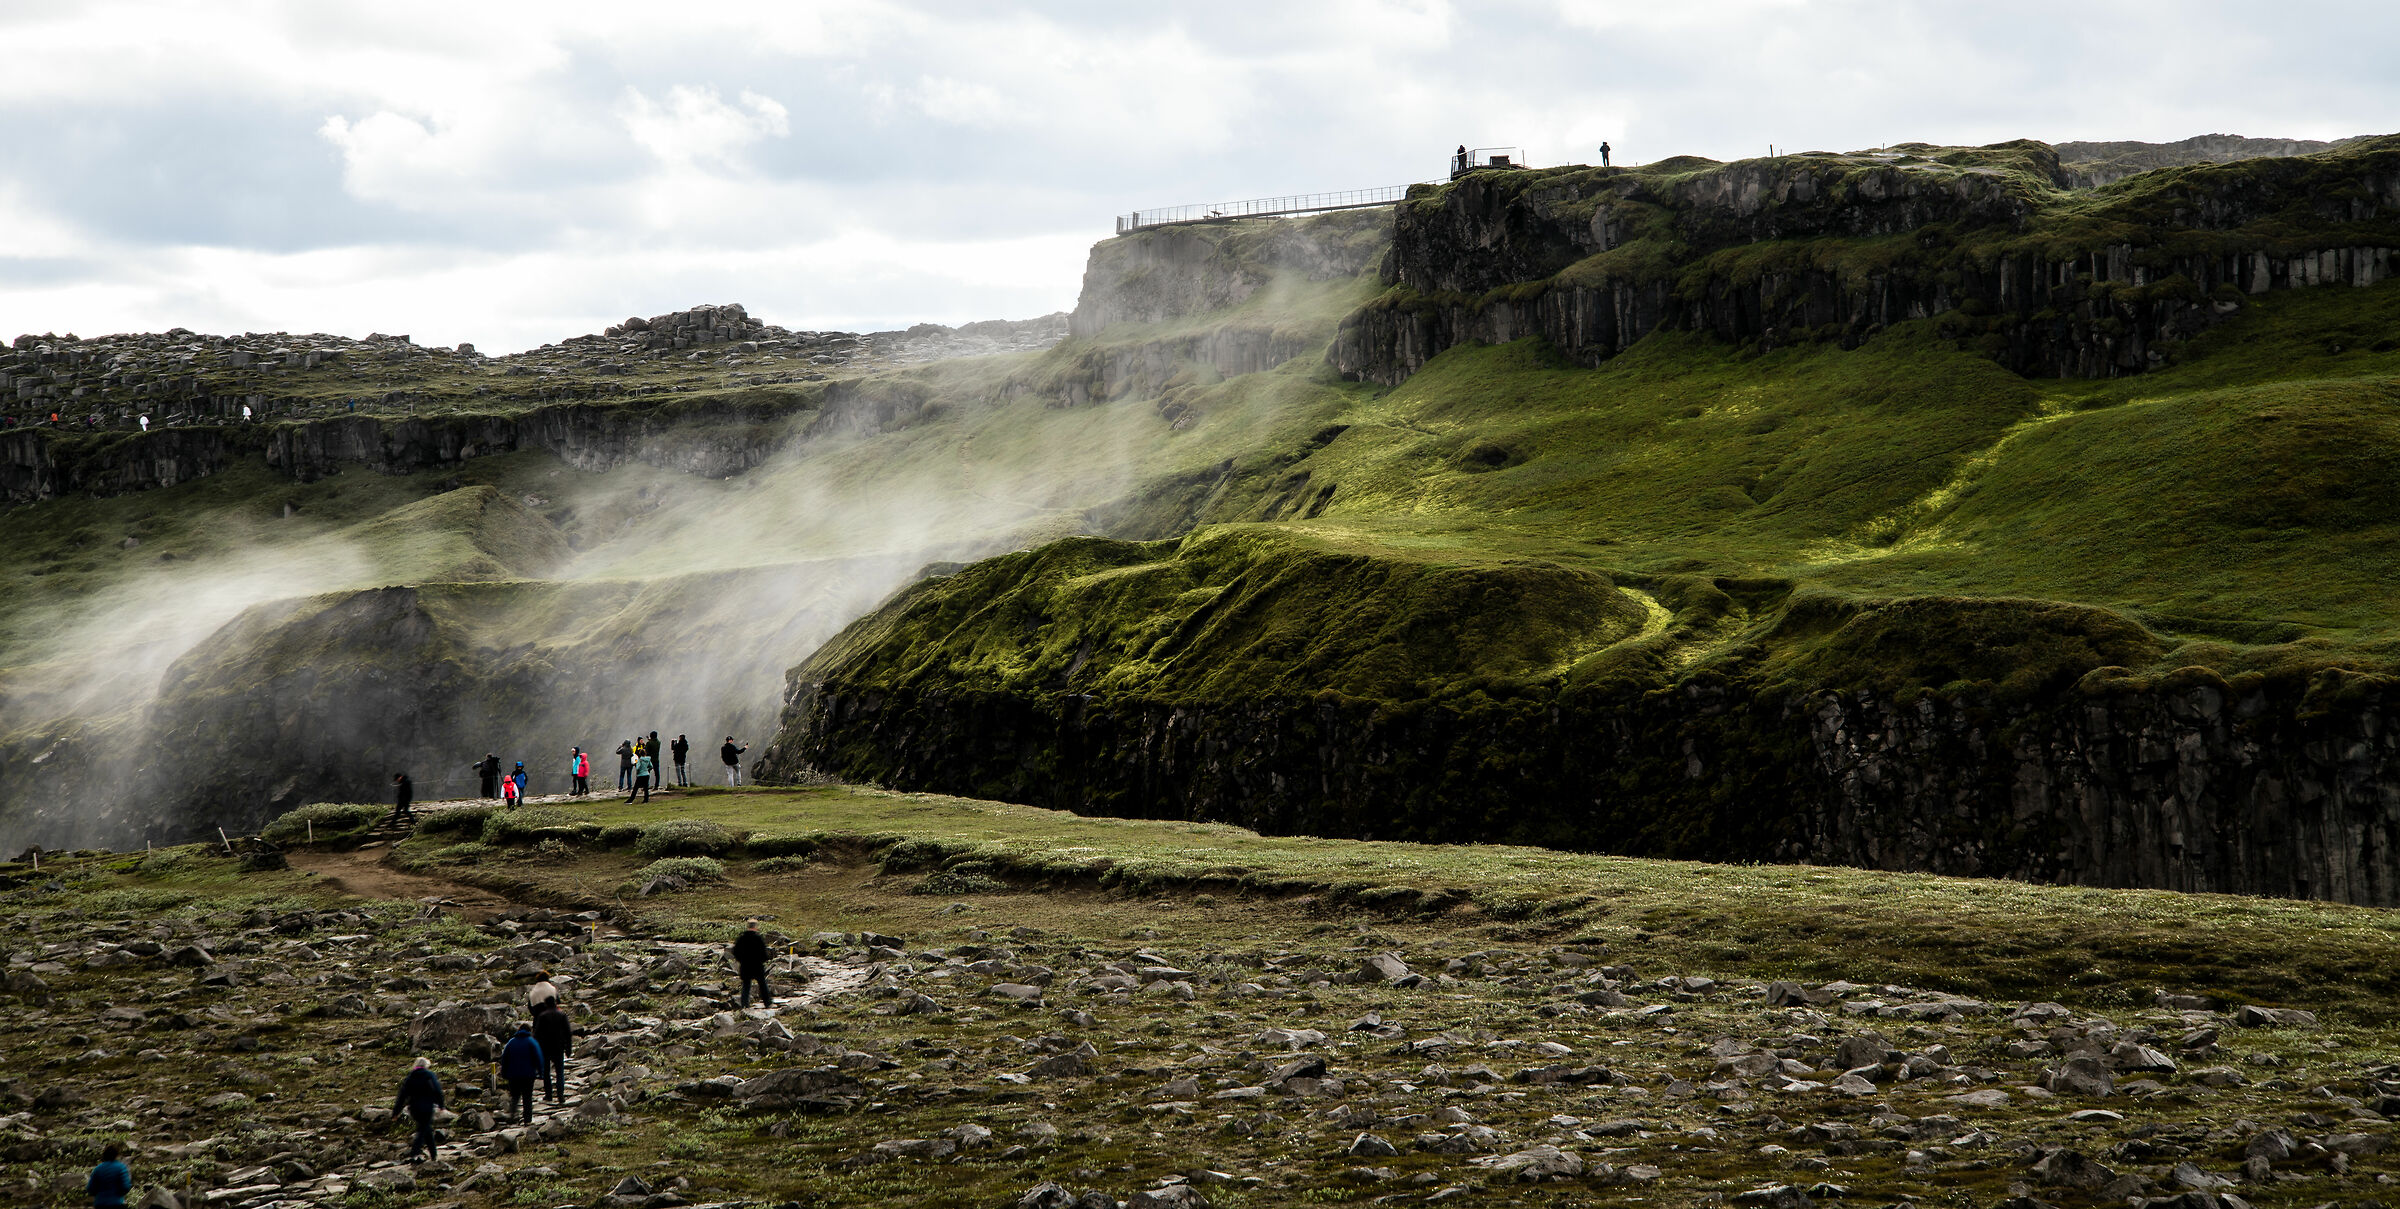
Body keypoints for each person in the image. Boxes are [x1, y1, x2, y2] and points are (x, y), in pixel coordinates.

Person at [393, 1057, 443, 1161]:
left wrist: (396, 1112)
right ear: (426, 1065)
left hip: (414, 1108)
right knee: (423, 1129)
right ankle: (414, 1153)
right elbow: (437, 1090)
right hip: (427, 1107)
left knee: (426, 1128)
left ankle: (433, 1154)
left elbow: (402, 1096)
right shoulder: (429, 1075)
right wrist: (441, 1104)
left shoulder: (410, 1077)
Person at [499, 1024, 545, 1125]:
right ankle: (527, 1120)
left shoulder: (511, 1042)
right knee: (527, 1097)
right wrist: (541, 1073)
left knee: (515, 1096)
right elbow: (539, 1058)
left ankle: (512, 1116)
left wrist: (504, 1073)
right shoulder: (531, 1042)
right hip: (528, 1075)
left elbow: (504, 1059)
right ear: (529, 1031)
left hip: (513, 1075)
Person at [532, 998, 573, 1104]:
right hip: (559, 1047)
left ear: (546, 1004)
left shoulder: (542, 1016)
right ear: (555, 1003)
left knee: (546, 1072)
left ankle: (549, 1095)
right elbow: (568, 1033)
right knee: (560, 1072)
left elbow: (536, 1034)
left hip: (545, 1048)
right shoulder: (562, 1015)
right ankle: (561, 1095)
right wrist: (568, 1048)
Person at [733, 919, 773, 1008]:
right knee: (762, 985)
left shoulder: (742, 938)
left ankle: (744, 1005)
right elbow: (764, 953)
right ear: (755, 927)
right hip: (757, 966)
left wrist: (741, 960)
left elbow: (735, 951)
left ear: (748, 926)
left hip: (745, 966)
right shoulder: (758, 938)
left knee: (746, 986)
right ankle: (767, 1003)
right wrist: (763, 960)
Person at [87, 1141, 131, 1208]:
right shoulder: (121, 1167)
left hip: (100, 1203)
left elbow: (90, 1188)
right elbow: (126, 1187)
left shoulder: (97, 1169)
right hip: (116, 1203)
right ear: (116, 1155)